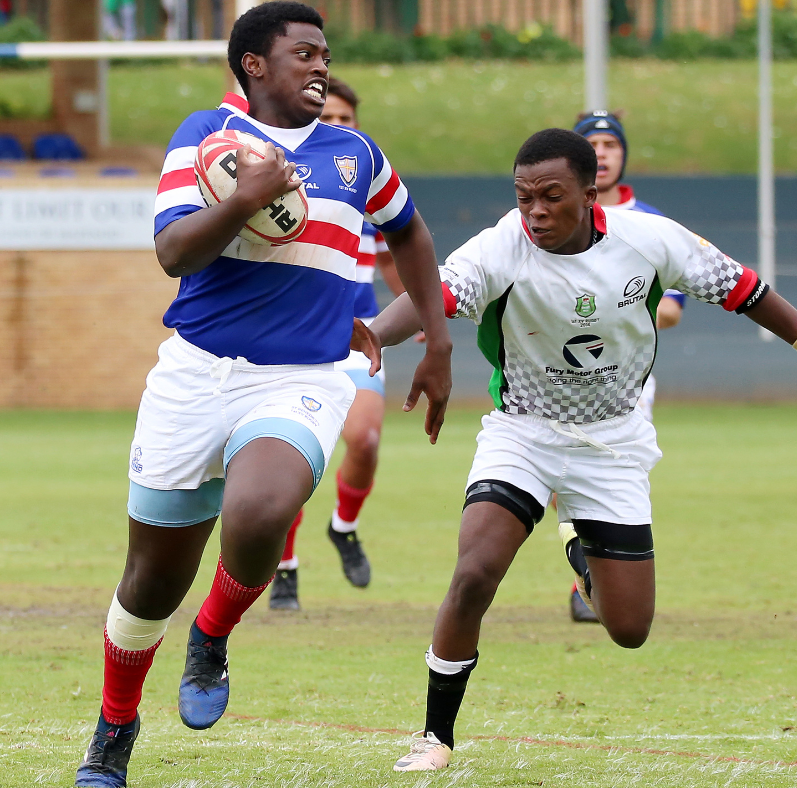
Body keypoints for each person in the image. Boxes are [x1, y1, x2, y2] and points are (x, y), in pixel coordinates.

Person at [73, 4, 452, 786]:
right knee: (150, 580)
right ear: (253, 65)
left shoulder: (356, 154)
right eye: (303, 53)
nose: (320, 66)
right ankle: (115, 724)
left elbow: (411, 234)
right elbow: (173, 251)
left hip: (302, 376)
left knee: (259, 509)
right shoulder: (205, 136)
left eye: (325, 54)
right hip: (195, 373)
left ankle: (211, 636)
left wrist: (437, 342)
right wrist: (244, 198)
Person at [350, 128, 797, 772]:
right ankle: (435, 736)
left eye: (551, 197)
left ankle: (576, 545)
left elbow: (745, 291)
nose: (534, 211)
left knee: (628, 628)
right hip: (523, 433)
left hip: (613, 443)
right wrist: (374, 334)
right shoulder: (503, 244)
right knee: (475, 571)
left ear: (591, 196)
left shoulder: (650, 240)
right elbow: (433, 299)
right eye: (524, 196)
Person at [269, 77, 408, 610]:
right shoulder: (282, 190)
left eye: (346, 119)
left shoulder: (366, 193)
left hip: (357, 339)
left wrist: (415, 309)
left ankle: (343, 527)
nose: (337, 127)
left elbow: (395, 258)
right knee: (292, 459)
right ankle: (284, 568)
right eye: (327, 118)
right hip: (293, 344)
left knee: (366, 440)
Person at [565, 110, 686, 623]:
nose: (604, 152)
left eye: (611, 144)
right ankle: (582, 572)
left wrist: (611, 303)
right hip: (557, 370)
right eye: (592, 144)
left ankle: (605, 567)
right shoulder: (556, 215)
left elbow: (674, 309)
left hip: (625, 379)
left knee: (614, 473)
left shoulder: (651, 223)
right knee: (556, 474)